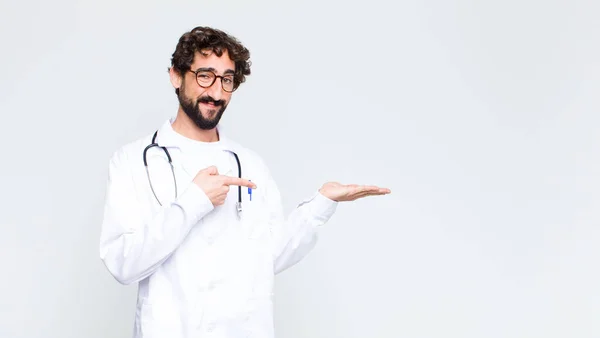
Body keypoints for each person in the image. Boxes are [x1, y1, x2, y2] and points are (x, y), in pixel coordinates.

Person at [99, 26, 391, 338]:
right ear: (176, 75)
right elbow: (123, 263)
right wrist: (193, 201)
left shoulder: (250, 165)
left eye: (227, 80)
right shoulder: (132, 161)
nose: (216, 92)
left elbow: (269, 256)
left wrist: (321, 204)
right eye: (205, 75)